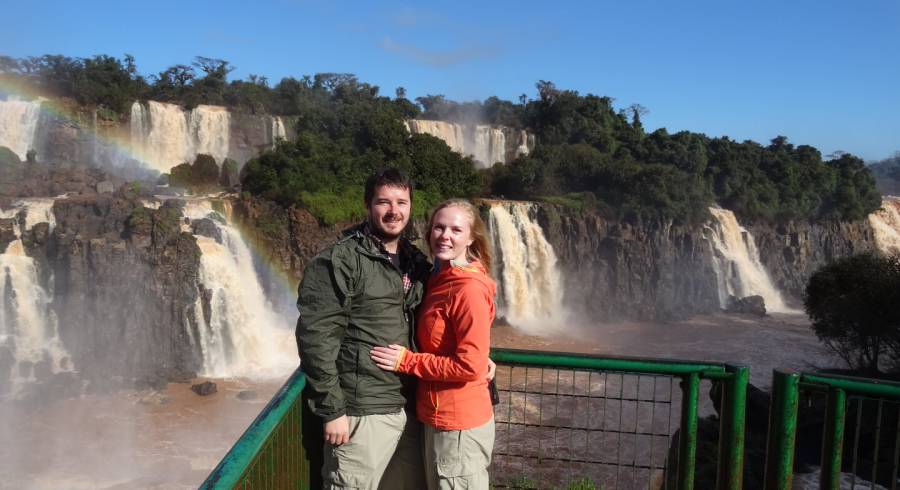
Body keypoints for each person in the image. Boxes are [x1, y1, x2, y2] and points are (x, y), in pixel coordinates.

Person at [296, 168, 430, 490]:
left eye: (402, 202)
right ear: (368, 205)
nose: (393, 211)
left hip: (410, 407)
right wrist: (332, 411)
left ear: (411, 206)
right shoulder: (341, 260)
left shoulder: (416, 260)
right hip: (362, 412)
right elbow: (316, 337)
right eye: (383, 202)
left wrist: (480, 357)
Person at [370, 199, 497, 490]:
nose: (445, 235)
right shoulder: (439, 277)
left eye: (456, 229)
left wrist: (407, 361)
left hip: (459, 424)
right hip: (437, 418)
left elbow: (469, 364)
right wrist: (484, 357)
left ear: (471, 237)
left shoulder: (467, 289)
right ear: (429, 233)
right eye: (439, 227)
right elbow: (467, 345)